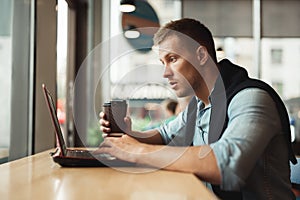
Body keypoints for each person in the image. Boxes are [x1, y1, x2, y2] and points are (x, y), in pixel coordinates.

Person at [96, 18, 297, 199]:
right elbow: (165, 135)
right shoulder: (199, 106)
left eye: (173, 59)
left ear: (201, 55)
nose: (165, 73)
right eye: (162, 63)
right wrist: (127, 132)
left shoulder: (251, 98)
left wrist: (138, 152)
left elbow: (227, 165)